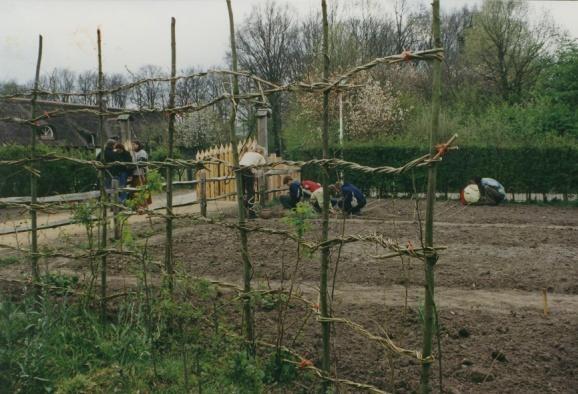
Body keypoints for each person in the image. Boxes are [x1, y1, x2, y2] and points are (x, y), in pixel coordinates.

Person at [239, 145, 266, 218]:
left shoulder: (247, 153)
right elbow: (263, 165)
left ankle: (242, 212)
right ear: (261, 151)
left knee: (242, 192)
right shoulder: (260, 156)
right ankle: (251, 214)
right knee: (251, 192)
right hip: (248, 171)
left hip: (239, 170)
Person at [131, 140, 152, 209]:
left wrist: (134, 165)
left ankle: (144, 205)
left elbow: (142, 162)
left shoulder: (142, 152)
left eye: (135, 145)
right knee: (135, 190)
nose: (133, 146)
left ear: (138, 145)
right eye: (133, 145)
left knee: (142, 189)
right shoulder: (133, 153)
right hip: (135, 173)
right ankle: (138, 205)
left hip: (141, 173)